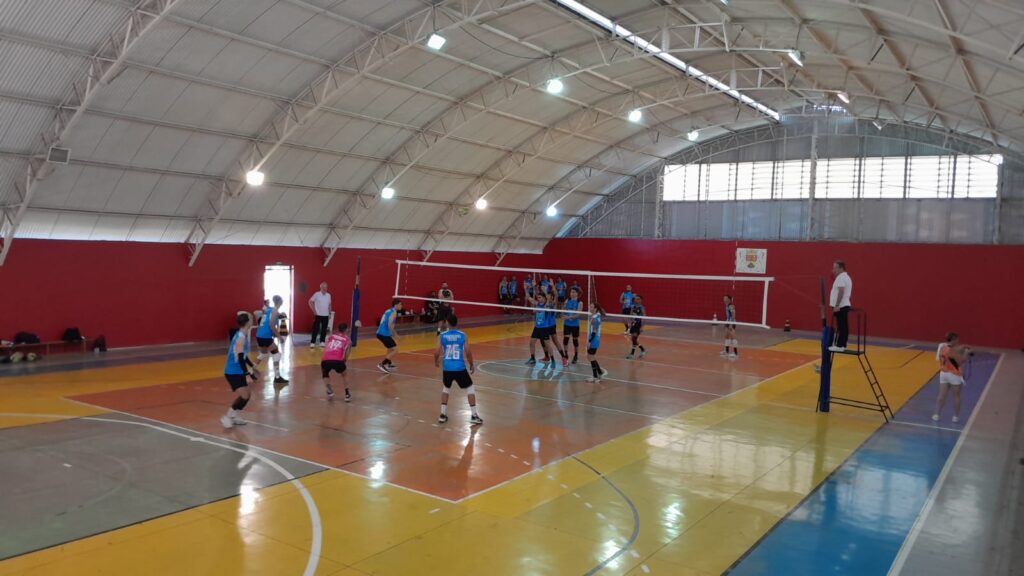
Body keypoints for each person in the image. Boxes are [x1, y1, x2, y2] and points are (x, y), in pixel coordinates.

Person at [434, 315, 483, 426]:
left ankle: (442, 414)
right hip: (459, 368)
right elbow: (468, 352)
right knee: (470, 388)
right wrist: (471, 364)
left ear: (447, 323)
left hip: (447, 368)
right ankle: (474, 415)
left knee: (446, 388)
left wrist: (436, 361)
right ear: (456, 323)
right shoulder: (463, 335)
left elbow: (436, 352)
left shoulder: (442, 336)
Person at [222, 313, 259, 428]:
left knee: (247, 395)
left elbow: (244, 356)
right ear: (247, 322)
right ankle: (227, 417)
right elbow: (241, 359)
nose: (252, 320)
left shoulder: (242, 335)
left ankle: (235, 416)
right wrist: (247, 374)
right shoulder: (240, 338)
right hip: (232, 371)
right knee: (244, 395)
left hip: (238, 370)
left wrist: (252, 366)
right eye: (251, 318)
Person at [933, 332, 971, 423]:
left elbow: (939, 358)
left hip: (943, 373)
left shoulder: (942, 347)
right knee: (956, 396)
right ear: (953, 340)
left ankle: (936, 414)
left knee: (941, 395)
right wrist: (966, 354)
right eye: (957, 339)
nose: (958, 341)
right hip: (954, 375)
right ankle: (955, 417)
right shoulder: (954, 350)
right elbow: (960, 362)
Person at [255, 295, 289, 384]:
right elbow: (271, 325)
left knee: (263, 354)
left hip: (259, 335)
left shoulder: (268, 310)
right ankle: (277, 377)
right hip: (265, 336)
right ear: (280, 302)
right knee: (277, 354)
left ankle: (251, 370)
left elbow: (265, 322)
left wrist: (274, 334)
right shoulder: (274, 311)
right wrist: (279, 337)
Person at [321, 322, 352, 402]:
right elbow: (347, 353)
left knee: (325, 372)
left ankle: (329, 389)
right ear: (346, 330)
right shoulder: (347, 340)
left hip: (326, 359)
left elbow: (327, 347)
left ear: (338, 329)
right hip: (337, 360)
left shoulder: (331, 336)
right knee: (344, 374)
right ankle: (347, 394)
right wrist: (344, 360)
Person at [829, 260, 853, 352]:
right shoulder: (846, 277)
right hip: (844, 305)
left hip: (841, 306)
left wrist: (837, 305)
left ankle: (840, 345)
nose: (833, 270)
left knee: (841, 326)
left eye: (835, 268)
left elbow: (841, 291)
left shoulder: (841, 277)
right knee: (843, 326)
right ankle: (843, 344)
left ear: (841, 268)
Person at [525, 292, 554, 366]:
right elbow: (529, 298)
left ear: (544, 298)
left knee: (548, 345)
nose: (538, 299)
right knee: (531, 343)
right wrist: (527, 289)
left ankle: (553, 360)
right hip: (537, 328)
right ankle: (532, 358)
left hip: (544, 328)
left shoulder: (546, 305)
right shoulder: (537, 304)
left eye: (540, 297)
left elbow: (547, 304)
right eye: (537, 297)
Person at [376, 298, 402, 373]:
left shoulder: (388, 310)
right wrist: (395, 334)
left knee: (390, 348)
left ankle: (388, 363)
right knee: (395, 349)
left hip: (381, 333)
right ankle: (382, 364)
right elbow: (389, 324)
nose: (401, 306)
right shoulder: (394, 313)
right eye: (400, 304)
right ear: (396, 305)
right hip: (383, 334)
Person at [586, 302, 609, 383]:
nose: (590, 308)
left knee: (590, 357)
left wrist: (589, 341)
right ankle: (599, 372)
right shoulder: (597, 316)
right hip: (595, 339)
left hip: (594, 340)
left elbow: (594, 331)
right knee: (591, 357)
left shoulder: (594, 319)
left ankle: (595, 377)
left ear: (595, 309)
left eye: (591, 307)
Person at [562, 287, 584, 364]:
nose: (572, 293)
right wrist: (563, 311)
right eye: (571, 292)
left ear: (577, 293)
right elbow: (563, 311)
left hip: (575, 324)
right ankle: (566, 355)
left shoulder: (580, 303)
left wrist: (568, 317)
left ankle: (576, 356)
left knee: (575, 340)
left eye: (574, 292)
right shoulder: (567, 301)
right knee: (566, 339)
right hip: (567, 324)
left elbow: (578, 315)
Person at [308, 282, 332, 348]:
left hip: (326, 315)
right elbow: (310, 301)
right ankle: (312, 342)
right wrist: (314, 311)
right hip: (318, 315)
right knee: (315, 329)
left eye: (326, 287)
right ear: (320, 287)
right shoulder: (316, 294)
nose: (325, 289)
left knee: (324, 329)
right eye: (323, 287)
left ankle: (322, 342)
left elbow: (329, 304)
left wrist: (330, 313)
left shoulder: (328, 295)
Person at [626, 295, 646, 359]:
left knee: (634, 338)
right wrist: (629, 322)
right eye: (635, 299)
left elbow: (644, 318)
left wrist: (642, 327)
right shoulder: (632, 306)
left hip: (638, 325)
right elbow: (630, 315)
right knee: (633, 339)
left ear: (640, 300)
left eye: (638, 299)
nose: (636, 300)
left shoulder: (642, 308)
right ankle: (642, 349)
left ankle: (632, 354)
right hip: (633, 325)